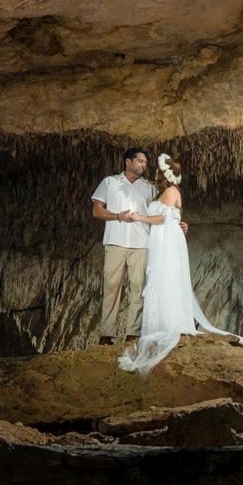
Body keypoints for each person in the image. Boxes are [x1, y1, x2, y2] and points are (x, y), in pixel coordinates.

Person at [118, 152, 243, 374]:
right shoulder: (162, 192)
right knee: (159, 277)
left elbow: (163, 219)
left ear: (165, 173)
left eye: (158, 170)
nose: (155, 172)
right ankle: (161, 322)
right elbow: (172, 219)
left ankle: (170, 324)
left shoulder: (170, 191)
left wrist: (138, 217)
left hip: (167, 240)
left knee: (166, 277)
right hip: (161, 239)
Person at [89, 147, 162, 346]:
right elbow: (96, 211)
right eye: (140, 161)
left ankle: (133, 333)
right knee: (112, 287)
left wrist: (177, 223)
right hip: (115, 241)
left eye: (145, 162)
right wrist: (117, 216)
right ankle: (107, 334)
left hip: (141, 243)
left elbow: (161, 212)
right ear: (127, 162)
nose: (144, 165)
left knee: (138, 288)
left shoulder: (150, 187)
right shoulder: (110, 182)